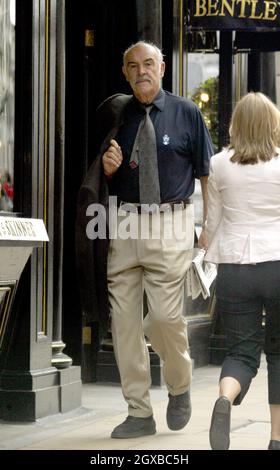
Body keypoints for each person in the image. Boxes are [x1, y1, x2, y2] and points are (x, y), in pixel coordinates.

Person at [76, 41, 213, 439]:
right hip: (122, 224)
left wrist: (209, 228)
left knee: (166, 319)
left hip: (171, 224)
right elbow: (100, 175)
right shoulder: (119, 116)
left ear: (163, 67)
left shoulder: (187, 112)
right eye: (133, 66)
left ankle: (180, 385)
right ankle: (139, 411)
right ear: (125, 73)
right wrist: (108, 167)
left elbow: (207, 177)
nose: (141, 71)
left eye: (149, 64)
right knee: (123, 326)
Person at [204, 92, 280, 450]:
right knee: (279, 353)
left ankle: (224, 398)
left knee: (241, 352)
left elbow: (212, 223)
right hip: (278, 264)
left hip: (235, 267)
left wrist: (201, 248)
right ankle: (277, 438)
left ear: (237, 125)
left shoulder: (218, 165)